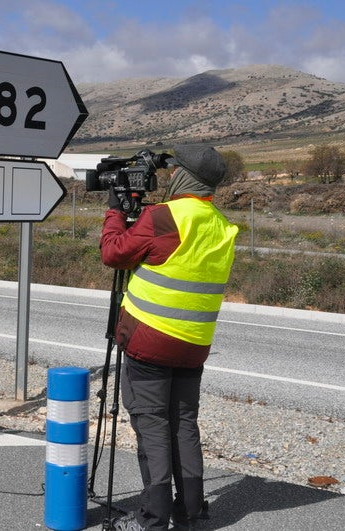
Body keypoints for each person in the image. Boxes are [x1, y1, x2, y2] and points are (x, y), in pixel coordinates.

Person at [100, 145, 238, 530]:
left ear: (183, 175)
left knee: (153, 425)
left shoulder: (164, 217)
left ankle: (155, 517)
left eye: (174, 169)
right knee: (184, 423)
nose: (171, 173)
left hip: (150, 340)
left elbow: (113, 254)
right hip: (194, 344)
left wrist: (115, 211)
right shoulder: (221, 225)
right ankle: (192, 512)